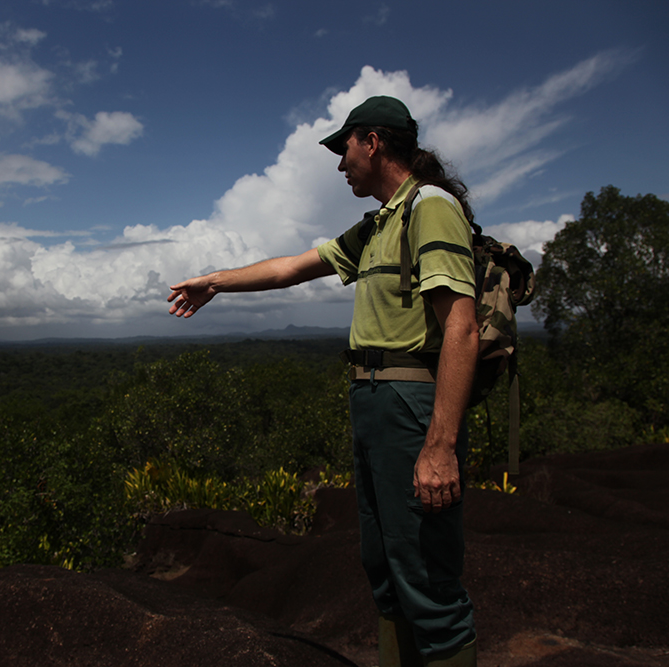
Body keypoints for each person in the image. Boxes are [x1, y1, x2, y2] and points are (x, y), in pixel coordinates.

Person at [167, 96, 479, 667]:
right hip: (372, 401)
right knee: (384, 566)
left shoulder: (429, 207)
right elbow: (292, 267)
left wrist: (439, 446)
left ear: (373, 142)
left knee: (425, 575)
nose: (340, 164)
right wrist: (215, 281)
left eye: (345, 149)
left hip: (410, 402)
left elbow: (460, 327)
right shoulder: (380, 222)